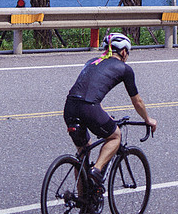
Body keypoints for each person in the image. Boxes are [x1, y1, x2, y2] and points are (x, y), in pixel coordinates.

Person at [63, 32, 158, 188]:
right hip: (89, 108)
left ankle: (82, 200)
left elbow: (88, 92)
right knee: (115, 136)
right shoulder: (124, 69)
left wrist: (103, 115)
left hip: (70, 107)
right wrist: (148, 119)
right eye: (128, 52)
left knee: (82, 152)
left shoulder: (91, 62)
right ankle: (96, 170)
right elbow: (137, 101)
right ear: (123, 51)